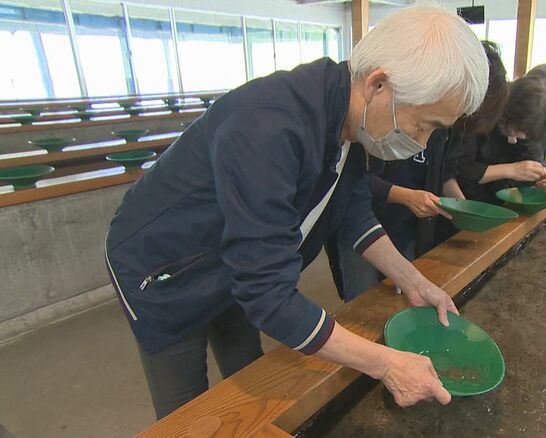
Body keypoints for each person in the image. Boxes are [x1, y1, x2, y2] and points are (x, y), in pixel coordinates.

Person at [104, 6, 489, 419]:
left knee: (250, 366)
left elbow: (353, 212)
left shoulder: (351, 120)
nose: (423, 142)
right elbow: (267, 293)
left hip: (238, 256)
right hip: (164, 271)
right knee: (187, 410)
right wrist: (388, 364)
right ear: (379, 84)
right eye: (423, 125)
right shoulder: (268, 127)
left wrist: (414, 280)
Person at [328, 40, 509, 302]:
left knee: (402, 293)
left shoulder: (444, 125)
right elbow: (355, 187)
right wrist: (405, 195)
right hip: (366, 222)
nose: (424, 141)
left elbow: (444, 169)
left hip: (400, 226)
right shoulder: (375, 123)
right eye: (425, 127)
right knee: (363, 299)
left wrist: (462, 208)